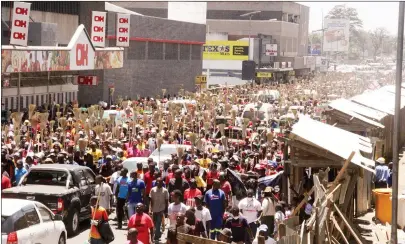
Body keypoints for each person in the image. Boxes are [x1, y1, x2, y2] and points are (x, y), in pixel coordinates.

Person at [149, 177, 169, 243]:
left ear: (162, 182)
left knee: (158, 223)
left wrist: (166, 210)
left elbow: (166, 201)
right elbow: (151, 200)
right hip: (154, 209)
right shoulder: (152, 190)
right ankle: (157, 234)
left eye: (160, 182)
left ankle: (157, 236)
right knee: (154, 223)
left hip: (161, 209)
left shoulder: (165, 190)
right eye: (157, 181)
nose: (158, 183)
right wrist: (150, 209)